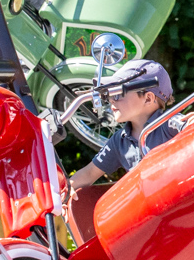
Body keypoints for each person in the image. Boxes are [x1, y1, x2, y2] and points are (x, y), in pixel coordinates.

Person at [69, 59, 185, 195]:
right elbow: (89, 173)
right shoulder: (119, 141)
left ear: (148, 99)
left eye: (118, 94)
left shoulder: (168, 123)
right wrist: (67, 192)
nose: (111, 99)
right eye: (111, 94)